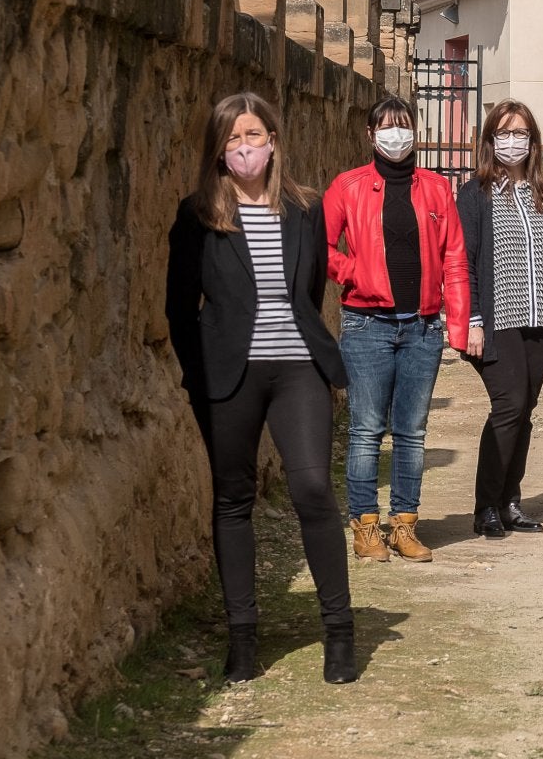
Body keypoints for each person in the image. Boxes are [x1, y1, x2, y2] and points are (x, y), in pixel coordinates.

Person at [164, 92, 358, 686]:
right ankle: (243, 637)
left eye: (254, 136)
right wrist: (200, 383)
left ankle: (340, 633)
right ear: (218, 152)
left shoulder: (306, 207)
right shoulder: (197, 214)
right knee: (233, 498)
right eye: (232, 140)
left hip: (299, 367)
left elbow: (311, 291)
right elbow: (178, 309)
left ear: (274, 140)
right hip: (230, 374)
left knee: (312, 490)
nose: (245, 148)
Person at [324, 96, 471, 563]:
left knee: (412, 431)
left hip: (422, 327)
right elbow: (321, 245)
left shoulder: (435, 189)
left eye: (403, 126)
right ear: (370, 135)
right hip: (367, 323)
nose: (395, 134)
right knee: (367, 429)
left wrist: (459, 324)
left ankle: (405, 524)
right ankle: (366, 527)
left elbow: (454, 257)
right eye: (386, 127)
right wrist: (353, 272)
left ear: (415, 132)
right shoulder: (347, 187)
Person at [457, 100, 543, 539]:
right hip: (497, 321)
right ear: (490, 140)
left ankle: (509, 501)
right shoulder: (474, 194)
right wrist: (473, 319)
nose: (512, 141)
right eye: (504, 132)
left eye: (520, 133)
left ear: (532, 141)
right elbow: (465, 261)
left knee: (525, 411)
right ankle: (485, 507)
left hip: (542, 319)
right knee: (509, 405)